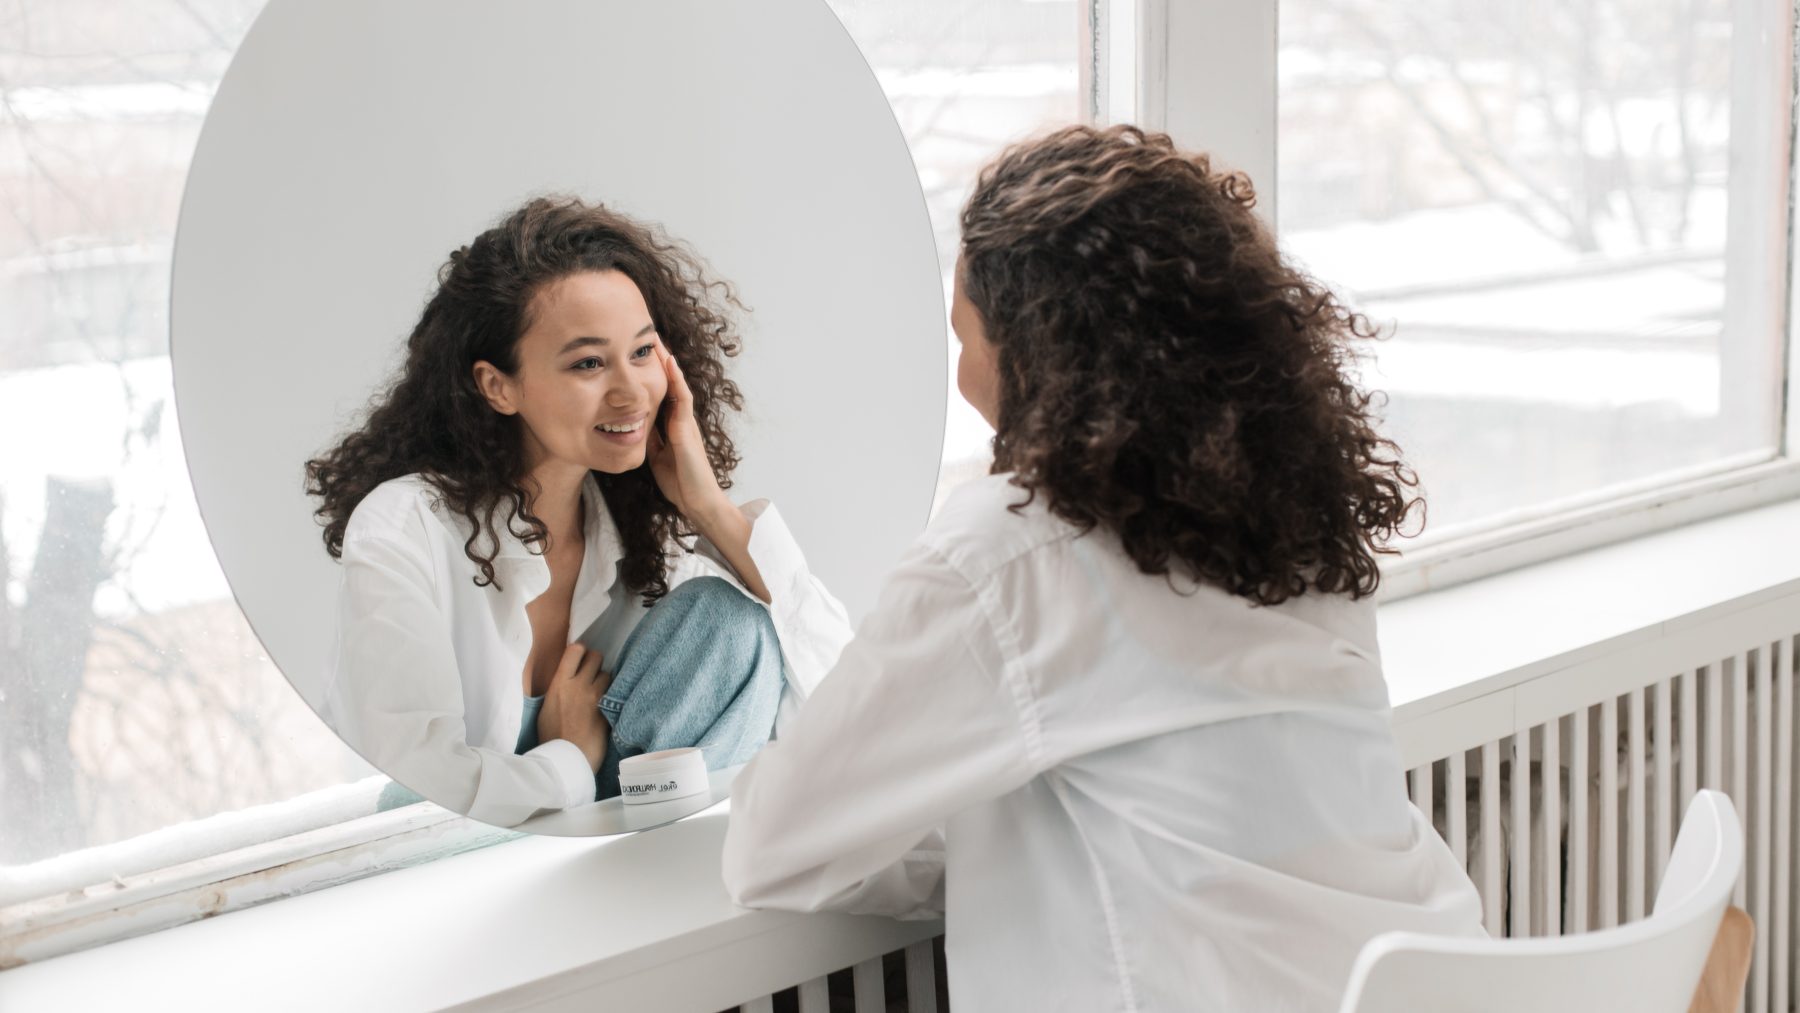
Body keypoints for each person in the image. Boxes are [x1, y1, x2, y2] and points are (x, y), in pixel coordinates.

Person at [721, 125, 1484, 1011]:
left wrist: (979, 837)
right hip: (1444, 973)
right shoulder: (1294, 527)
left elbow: (771, 844)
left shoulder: (1010, 552)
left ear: (1036, 355)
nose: (961, 374)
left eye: (963, 337)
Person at [305, 196, 851, 828]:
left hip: (623, 857)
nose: (630, 391)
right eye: (589, 363)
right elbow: (421, 789)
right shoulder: (405, 527)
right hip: (451, 870)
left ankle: (655, 892)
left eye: (643, 353)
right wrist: (566, 756)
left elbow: (839, 701)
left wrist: (707, 507)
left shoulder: (638, 527)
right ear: (497, 386)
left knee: (732, 623)